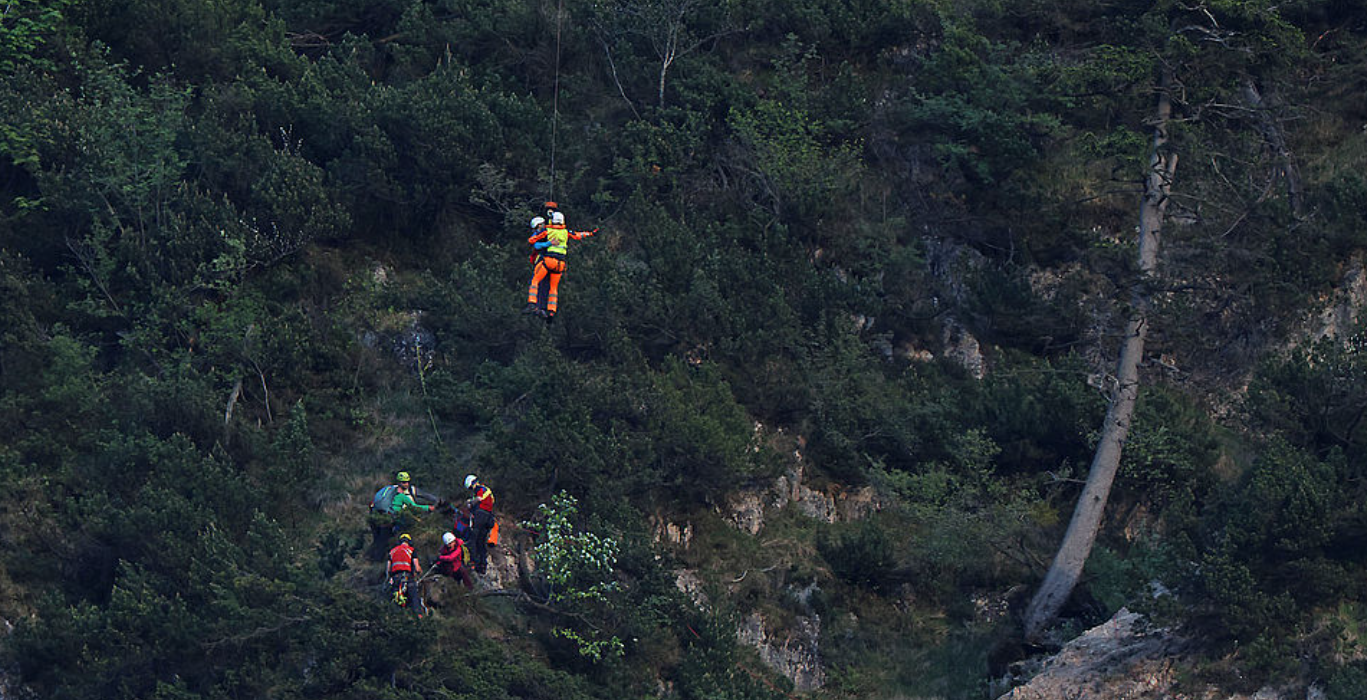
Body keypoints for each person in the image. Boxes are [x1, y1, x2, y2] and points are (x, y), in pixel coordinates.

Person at [524, 210, 596, 321]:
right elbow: (578, 235)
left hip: (548, 261)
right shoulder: (565, 232)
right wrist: (590, 233)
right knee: (553, 288)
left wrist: (548, 243)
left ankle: (532, 304)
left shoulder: (547, 231)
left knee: (535, 281)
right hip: (560, 264)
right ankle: (551, 311)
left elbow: (532, 241)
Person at [464, 474, 496, 575]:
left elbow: (479, 499)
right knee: (481, 542)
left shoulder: (480, 488)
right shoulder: (488, 491)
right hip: (488, 517)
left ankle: (475, 562)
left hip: (480, 516)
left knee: (473, 539)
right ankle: (482, 564)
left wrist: (470, 503)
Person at [387, 533, 423, 610]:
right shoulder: (411, 550)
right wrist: (420, 572)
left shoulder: (392, 551)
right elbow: (417, 568)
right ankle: (418, 616)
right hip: (408, 578)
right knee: (414, 598)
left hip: (395, 578)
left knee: (395, 599)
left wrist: (389, 578)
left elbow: (388, 569)